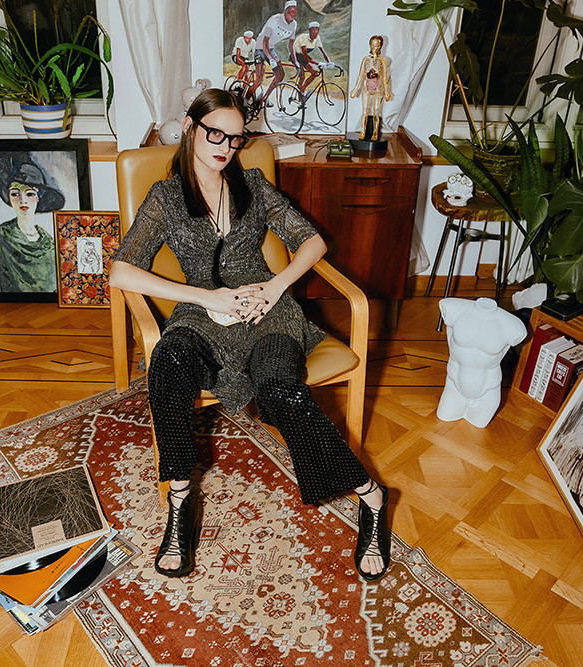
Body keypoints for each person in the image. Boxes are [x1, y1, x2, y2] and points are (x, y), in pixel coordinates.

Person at [108, 88, 391, 582]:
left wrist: (276, 286)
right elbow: (121, 271)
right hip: (202, 313)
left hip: (269, 313)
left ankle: (371, 495)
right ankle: (180, 501)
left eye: (236, 138)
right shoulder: (165, 198)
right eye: (215, 134)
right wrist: (206, 298)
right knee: (168, 362)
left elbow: (312, 242)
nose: (225, 147)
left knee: (281, 392)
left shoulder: (254, 187)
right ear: (190, 127)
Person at [437, 298, 526, 428]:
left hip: (487, 392)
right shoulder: (453, 308)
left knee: (478, 426)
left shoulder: (512, 325)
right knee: (443, 416)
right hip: (454, 386)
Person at [0, 153, 64, 292]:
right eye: (15, 194)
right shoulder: (2, 234)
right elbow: (6, 282)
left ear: (39, 197)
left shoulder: (48, 242)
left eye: (29, 194)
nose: (22, 200)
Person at [248, 1, 298, 105]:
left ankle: (264, 98)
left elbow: (291, 45)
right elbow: (265, 42)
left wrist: (295, 61)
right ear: (285, 11)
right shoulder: (275, 19)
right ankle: (244, 100)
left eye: (295, 12)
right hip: (260, 48)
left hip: (270, 49)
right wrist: (271, 59)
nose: (293, 14)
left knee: (280, 74)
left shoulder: (294, 24)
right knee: (258, 81)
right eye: (290, 12)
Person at [349, 35, 392, 142]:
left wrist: (387, 91)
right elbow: (361, 75)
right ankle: (363, 131)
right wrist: (355, 89)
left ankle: (375, 132)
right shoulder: (366, 59)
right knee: (365, 110)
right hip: (366, 88)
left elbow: (384, 77)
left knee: (376, 111)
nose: (374, 48)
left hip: (377, 89)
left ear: (380, 46)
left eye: (377, 46)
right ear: (370, 45)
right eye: (373, 45)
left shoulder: (382, 60)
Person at [293, 21, 332, 94]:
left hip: (304, 56)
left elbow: (323, 51)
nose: (315, 32)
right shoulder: (304, 38)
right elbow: (305, 56)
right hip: (296, 55)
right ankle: (300, 94)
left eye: (317, 29)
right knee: (302, 77)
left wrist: (329, 61)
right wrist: (318, 63)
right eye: (313, 30)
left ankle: (303, 88)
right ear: (309, 30)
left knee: (315, 72)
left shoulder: (317, 38)